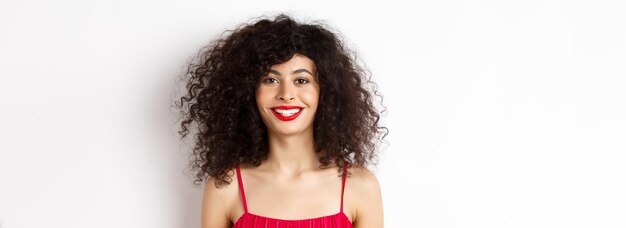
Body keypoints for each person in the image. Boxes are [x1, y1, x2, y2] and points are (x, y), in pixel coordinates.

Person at [177, 14, 387, 228]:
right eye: (271, 80)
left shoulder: (360, 187)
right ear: (249, 91)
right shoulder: (225, 187)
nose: (286, 94)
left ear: (325, 92)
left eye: (301, 80)